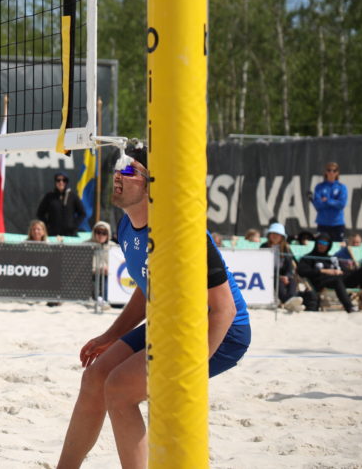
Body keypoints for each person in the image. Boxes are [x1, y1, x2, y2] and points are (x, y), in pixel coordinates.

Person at [56, 145, 251, 469]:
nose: (118, 175)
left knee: (119, 389)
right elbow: (149, 290)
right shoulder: (125, 226)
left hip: (220, 330)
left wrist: (192, 370)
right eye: (119, 168)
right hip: (170, 321)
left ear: (152, 184)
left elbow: (224, 310)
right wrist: (111, 335)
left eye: (130, 171)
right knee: (95, 377)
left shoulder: (182, 233)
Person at [296, 234, 362, 313]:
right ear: (316, 243)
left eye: (325, 243)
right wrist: (323, 271)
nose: (322, 245)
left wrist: (341, 271)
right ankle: (350, 307)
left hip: (340, 279)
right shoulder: (309, 257)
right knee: (337, 280)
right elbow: (301, 271)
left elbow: (345, 270)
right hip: (322, 282)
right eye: (320, 242)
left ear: (329, 245)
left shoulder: (332, 258)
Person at [260, 222, 302, 311]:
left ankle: (290, 301)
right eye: (273, 233)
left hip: (284, 275)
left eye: (278, 234)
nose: (275, 236)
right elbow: (262, 266)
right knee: (278, 282)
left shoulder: (286, 248)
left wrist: (286, 276)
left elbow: (290, 266)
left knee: (293, 281)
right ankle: (289, 303)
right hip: (270, 275)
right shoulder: (263, 247)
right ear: (269, 235)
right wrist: (279, 276)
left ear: (282, 237)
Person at [35, 171, 86, 237]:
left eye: (64, 180)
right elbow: (40, 213)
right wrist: (47, 225)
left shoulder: (73, 196)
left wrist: (74, 225)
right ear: (55, 182)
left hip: (69, 234)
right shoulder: (49, 196)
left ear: (66, 182)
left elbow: (82, 213)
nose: (61, 182)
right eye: (58, 180)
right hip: (53, 234)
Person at [312, 161, 348, 242]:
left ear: (337, 173)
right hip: (323, 224)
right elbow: (317, 204)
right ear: (326, 172)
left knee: (338, 248)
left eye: (334, 170)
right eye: (329, 170)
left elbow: (341, 204)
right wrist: (334, 202)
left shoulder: (342, 187)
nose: (331, 172)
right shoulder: (319, 187)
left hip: (337, 224)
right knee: (321, 246)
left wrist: (327, 201)